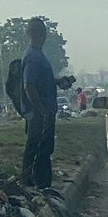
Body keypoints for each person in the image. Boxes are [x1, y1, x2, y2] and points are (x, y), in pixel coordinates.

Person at [20, 17, 75, 189]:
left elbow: (42, 81)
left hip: (44, 110)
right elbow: (29, 86)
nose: (42, 37)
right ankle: (33, 184)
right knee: (38, 149)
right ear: (34, 34)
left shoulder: (38, 55)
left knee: (44, 148)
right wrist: (41, 109)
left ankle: (41, 185)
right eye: (40, 33)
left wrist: (58, 81)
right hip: (39, 112)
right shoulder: (33, 57)